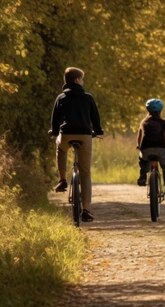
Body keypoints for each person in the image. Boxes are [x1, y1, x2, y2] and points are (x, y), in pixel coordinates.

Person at [49, 67, 104, 222]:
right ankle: (86, 209)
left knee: (60, 147)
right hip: (85, 134)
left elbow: (55, 120)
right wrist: (98, 131)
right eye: (82, 78)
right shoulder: (88, 98)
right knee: (85, 173)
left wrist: (54, 131)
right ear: (77, 80)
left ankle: (62, 179)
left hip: (66, 133)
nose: (83, 81)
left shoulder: (61, 97)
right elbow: (96, 119)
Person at [136, 98, 165, 199]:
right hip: (160, 149)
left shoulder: (144, 122)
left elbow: (140, 136)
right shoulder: (164, 123)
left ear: (148, 110)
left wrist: (139, 145)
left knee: (143, 160)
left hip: (146, 149)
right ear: (160, 110)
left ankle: (143, 176)